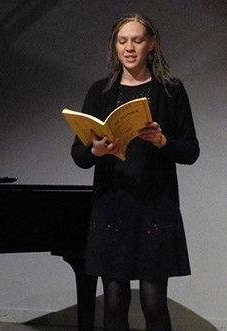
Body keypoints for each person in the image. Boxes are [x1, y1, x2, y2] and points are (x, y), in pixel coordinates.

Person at [71, 13, 199, 331]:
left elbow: (192, 151)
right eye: (122, 40)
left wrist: (163, 140)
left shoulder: (170, 91)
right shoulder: (100, 92)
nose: (129, 47)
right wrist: (95, 150)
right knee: (114, 302)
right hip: (112, 207)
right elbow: (78, 155)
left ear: (151, 45)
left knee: (153, 302)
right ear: (115, 46)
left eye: (137, 40)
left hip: (156, 207)